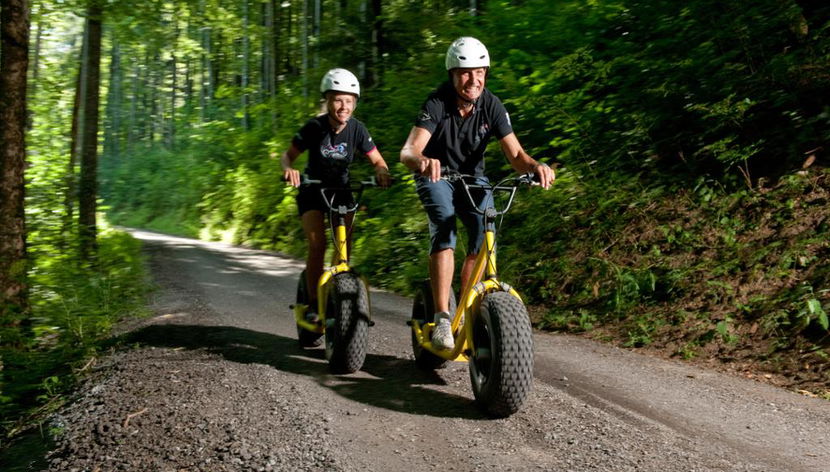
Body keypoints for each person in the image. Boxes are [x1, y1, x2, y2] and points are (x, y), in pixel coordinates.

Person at [399, 37, 555, 350]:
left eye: (480, 72)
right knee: (445, 226)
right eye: (465, 73)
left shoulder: (492, 105)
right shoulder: (436, 103)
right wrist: (422, 161)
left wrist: (536, 166)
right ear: (452, 75)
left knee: (485, 235)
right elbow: (408, 152)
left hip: (473, 179)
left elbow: (516, 156)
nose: (474, 80)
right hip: (437, 175)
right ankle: (443, 318)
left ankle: (465, 310)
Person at [281, 68, 391, 319]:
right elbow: (287, 156)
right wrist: (288, 170)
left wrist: (382, 172)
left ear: (355, 103)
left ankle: (336, 292)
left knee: (344, 247)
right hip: (312, 189)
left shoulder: (358, 129)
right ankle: (313, 304)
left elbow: (377, 160)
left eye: (349, 101)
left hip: (341, 190)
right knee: (317, 244)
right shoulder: (314, 127)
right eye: (338, 100)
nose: (344, 107)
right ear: (328, 101)